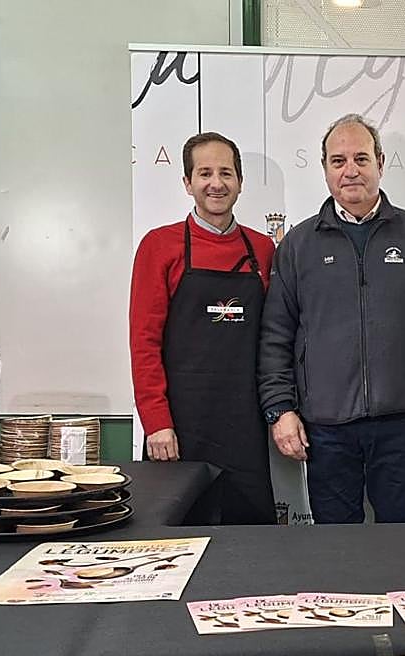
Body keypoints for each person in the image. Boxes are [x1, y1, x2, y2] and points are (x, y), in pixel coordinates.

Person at [257, 113, 405, 524]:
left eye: (361, 159)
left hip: (402, 423)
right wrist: (281, 409)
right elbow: (276, 335)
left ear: (380, 163)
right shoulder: (298, 245)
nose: (350, 171)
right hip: (325, 426)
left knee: (403, 541)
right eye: (338, 161)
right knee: (336, 546)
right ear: (325, 169)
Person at [129, 131, 277, 525]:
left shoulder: (262, 249)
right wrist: (157, 423)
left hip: (244, 426)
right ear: (187, 183)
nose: (216, 183)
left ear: (240, 183)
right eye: (205, 173)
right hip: (179, 430)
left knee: (249, 546)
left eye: (226, 173)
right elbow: (144, 342)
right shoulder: (159, 246)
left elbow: (275, 339)